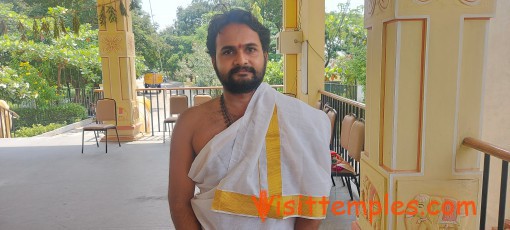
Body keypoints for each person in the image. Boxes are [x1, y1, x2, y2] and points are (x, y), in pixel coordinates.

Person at [168, 9, 332, 229]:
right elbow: (179, 203)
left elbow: (312, 206)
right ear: (213, 60)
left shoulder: (301, 120)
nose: (241, 60)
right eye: (228, 51)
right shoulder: (189, 124)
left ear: (264, 55)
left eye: (250, 49)